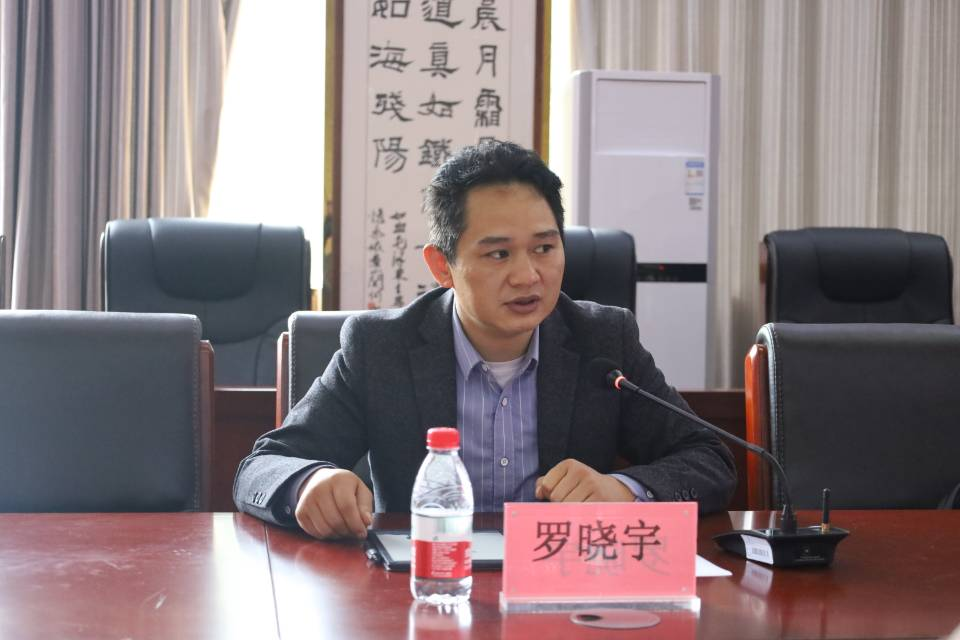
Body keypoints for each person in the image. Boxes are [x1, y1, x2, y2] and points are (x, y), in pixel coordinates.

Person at [234, 142, 736, 540]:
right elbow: (262, 466)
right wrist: (309, 482)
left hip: (561, 589)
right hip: (424, 585)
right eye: (498, 255)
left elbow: (709, 459)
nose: (528, 276)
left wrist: (622, 491)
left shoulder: (603, 339)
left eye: (545, 248)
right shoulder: (381, 347)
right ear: (442, 266)